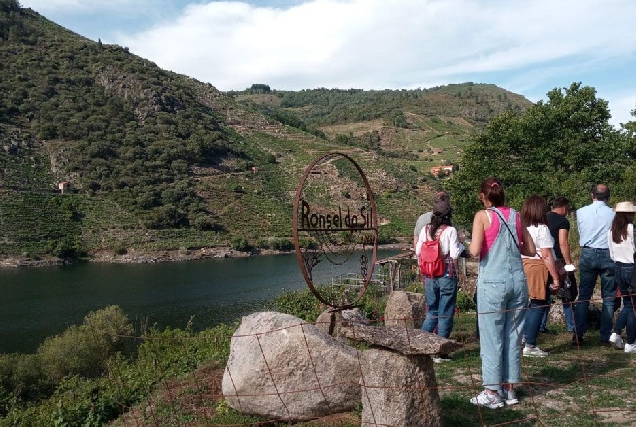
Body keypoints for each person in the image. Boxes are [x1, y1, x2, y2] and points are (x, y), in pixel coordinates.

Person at [468, 177, 536, 409]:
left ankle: (491, 390)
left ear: (482, 196)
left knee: (491, 337)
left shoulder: (482, 216)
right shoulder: (516, 215)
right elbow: (531, 249)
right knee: (513, 336)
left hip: (493, 282)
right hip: (517, 281)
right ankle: (510, 389)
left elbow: (476, 250)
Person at [415, 198, 460, 363]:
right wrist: (458, 273)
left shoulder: (425, 230)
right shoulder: (450, 231)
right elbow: (454, 255)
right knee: (445, 312)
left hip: (429, 274)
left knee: (432, 312)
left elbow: (418, 250)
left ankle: (419, 344)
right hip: (446, 274)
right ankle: (441, 352)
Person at [573, 184, 616, 346]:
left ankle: (578, 333)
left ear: (592, 195)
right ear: (608, 197)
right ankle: (605, 336)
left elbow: (581, 230)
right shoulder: (613, 214)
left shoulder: (581, 212)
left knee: (584, 296)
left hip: (589, 252)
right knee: (609, 297)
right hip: (607, 253)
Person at [520, 196, 561, 358]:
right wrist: (556, 277)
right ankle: (530, 344)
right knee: (538, 304)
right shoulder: (542, 229)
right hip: (537, 266)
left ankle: (523, 336)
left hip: (522, 264)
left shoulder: (522, 227)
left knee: (525, 304)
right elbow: (546, 255)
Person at [607, 201, 636, 353]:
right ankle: (630, 342)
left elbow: (611, 254)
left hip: (618, 267)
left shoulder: (611, 231)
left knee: (628, 304)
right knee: (632, 308)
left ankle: (616, 333)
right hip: (631, 269)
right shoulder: (632, 229)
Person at [545, 197, 577, 333]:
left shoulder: (543, 217)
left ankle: (540, 326)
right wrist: (568, 264)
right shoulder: (563, 221)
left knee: (544, 294)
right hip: (558, 259)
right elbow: (563, 242)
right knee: (567, 293)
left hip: (544, 258)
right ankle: (572, 327)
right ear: (564, 207)